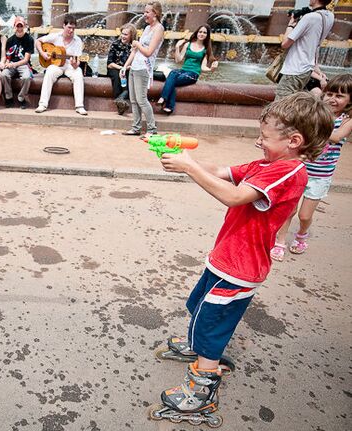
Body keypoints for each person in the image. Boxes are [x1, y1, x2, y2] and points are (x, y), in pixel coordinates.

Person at [149, 92, 333, 427]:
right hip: (226, 258)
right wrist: (181, 159)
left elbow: (235, 197)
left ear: (293, 140)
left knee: (212, 326)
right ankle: (196, 347)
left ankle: (201, 394)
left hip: (240, 268)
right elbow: (222, 172)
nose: (258, 141)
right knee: (200, 305)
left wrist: (189, 167)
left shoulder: (288, 172)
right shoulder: (267, 164)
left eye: (264, 136)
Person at [271, 74, 352, 262]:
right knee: (288, 210)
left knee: (304, 215)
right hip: (300, 170)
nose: (333, 99)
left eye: (340, 96)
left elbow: (338, 136)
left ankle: (301, 234)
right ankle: (280, 242)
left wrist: (312, 126)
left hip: (320, 176)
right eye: (329, 93)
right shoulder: (316, 114)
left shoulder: (346, 121)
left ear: (349, 100)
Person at [275, 0, 334, 100]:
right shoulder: (329, 16)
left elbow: (285, 44)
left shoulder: (310, 17)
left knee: (279, 107)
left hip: (294, 70)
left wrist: (291, 25)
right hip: (307, 70)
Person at [122, 1, 164, 137]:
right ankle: (136, 127)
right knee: (133, 100)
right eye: (144, 12)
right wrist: (125, 66)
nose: (144, 15)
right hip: (135, 67)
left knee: (141, 99)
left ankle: (152, 129)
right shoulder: (147, 28)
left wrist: (137, 44)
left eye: (147, 12)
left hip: (144, 68)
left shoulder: (159, 29)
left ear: (155, 13)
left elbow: (148, 52)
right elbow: (135, 51)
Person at [157, 24, 218, 115]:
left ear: (207, 35)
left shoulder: (206, 50)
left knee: (171, 80)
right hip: (183, 71)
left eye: (204, 33)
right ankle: (169, 106)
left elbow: (202, 67)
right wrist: (177, 47)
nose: (202, 34)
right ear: (197, 33)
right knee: (173, 73)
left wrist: (211, 69)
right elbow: (178, 60)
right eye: (200, 31)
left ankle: (164, 98)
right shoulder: (188, 45)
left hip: (193, 74)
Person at [34, 14, 87, 116]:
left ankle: (80, 106)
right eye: (69, 27)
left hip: (70, 66)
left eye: (73, 28)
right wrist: (42, 53)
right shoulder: (55, 36)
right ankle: (43, 104)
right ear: (64, 26)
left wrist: (75, 65)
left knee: (78, 73)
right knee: (49, 71)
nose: (71, 31)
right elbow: (38, 41)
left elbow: (78, 61)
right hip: (57, 65)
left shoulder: (78, 41)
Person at [0, 16, 33, 110]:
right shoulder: (10, 40)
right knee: (3, 75)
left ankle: (21, 97)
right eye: (17, 26)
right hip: (12, 64)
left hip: (23, 64)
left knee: (27, 77)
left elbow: (26, 59)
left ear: (24, 26)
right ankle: (8, 96)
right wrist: (6, 63)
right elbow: (8, 56)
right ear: (14, 26)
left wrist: (13, 64)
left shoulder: (29, 39)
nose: (19, 28)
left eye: (21, 26)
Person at [107, 23, 136, 115]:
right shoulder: (115, 44)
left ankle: (120, 100)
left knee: (130, 80)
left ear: (131, 36)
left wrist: (127, 68)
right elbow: (109, 64)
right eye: (122, 33)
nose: (123, 36)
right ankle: (120, 102)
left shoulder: (134, 46)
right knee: (116, 77)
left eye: (126, 34)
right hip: (115, 68)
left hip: (129, 70)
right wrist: (122, 68)